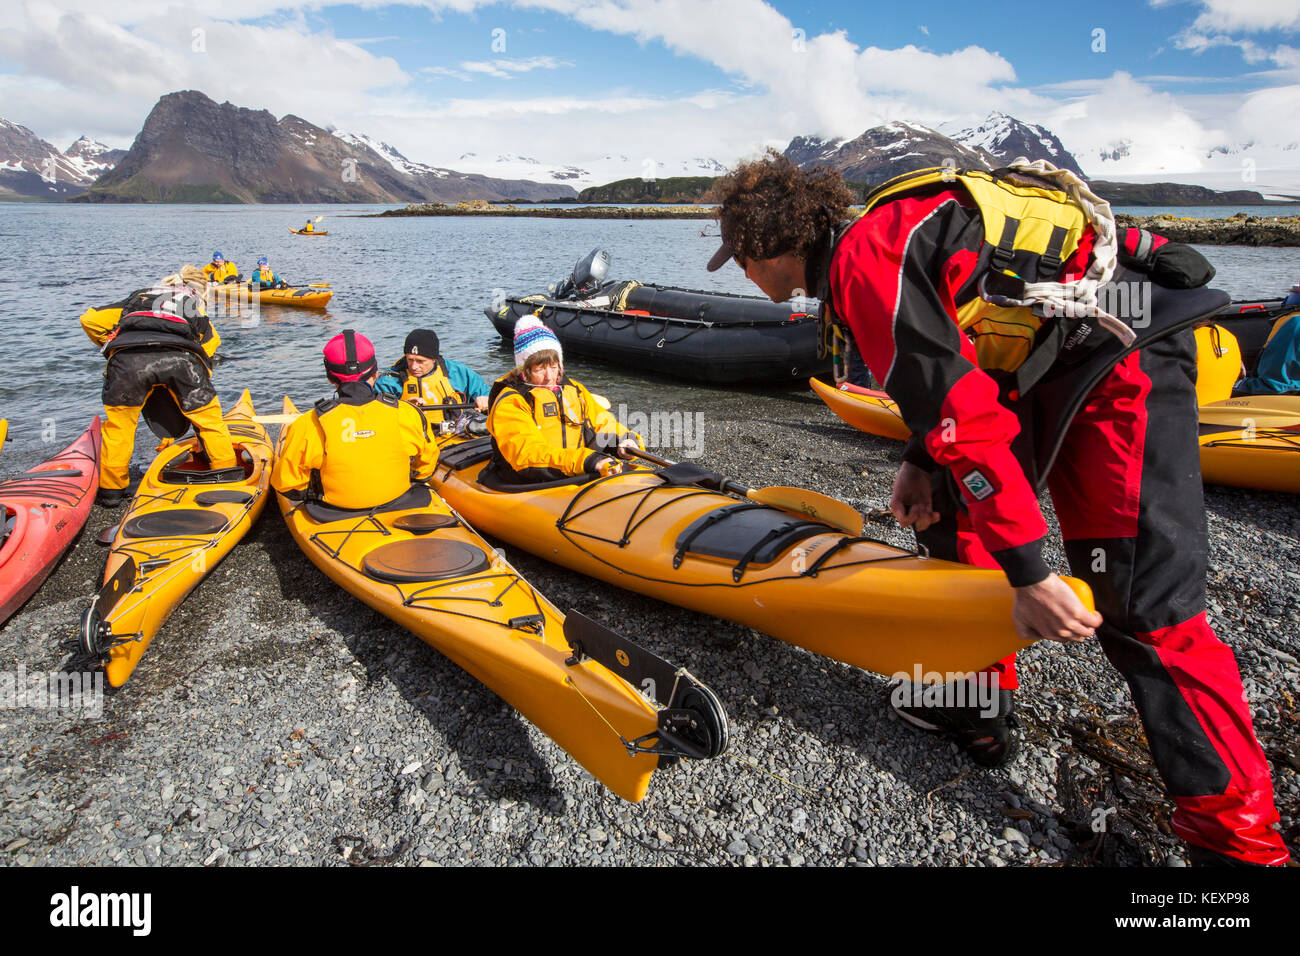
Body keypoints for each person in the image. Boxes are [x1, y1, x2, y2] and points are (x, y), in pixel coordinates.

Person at [706, 151, 1289, 867]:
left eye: (738, 257)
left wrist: (1030, 573)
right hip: (1055, 355)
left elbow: (966, 417)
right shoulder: (879, 244)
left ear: (769, 246)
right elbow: (965, 363)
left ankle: (1239, 846)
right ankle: (977, 706)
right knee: (947, 510)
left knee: (1146, 607)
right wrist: (922, 460)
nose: (740, 272)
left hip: (1121, 358)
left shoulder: (868, 263)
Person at [79, 265, 236, 507]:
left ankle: (111, 491)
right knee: (210, 421)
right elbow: (211, 343)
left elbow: (89, 319)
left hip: (127, 361)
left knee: (119, 428)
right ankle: (225, 474)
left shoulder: (139, 297)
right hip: (181, 359)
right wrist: (195, 377)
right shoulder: (192, 304)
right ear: (199, 291)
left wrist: (110, 344)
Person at [271, 331, 438, 511]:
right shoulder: (409, 413)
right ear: (374, 372)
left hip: (333, 511)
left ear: (329, 377)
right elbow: (426, 467)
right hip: (400, 500)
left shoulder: (308, 423)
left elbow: (287, 485)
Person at [486, 317, 641, 483]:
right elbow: (527, 454)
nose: (549, 377)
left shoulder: (574, 389)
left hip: (577, 469)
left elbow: (603, 421)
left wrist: (625, 439)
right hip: (529, 479)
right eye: (539, 370)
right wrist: (587, 460)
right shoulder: (512, 402)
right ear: (524, 371)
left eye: (554, 367)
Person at [374, 330, 491, 434]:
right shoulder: (390, 380)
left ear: (434, 359)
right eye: (409, 359)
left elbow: (491, 394)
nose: (414, 366)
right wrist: (404, 408)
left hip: (452, 435)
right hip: (410, 438)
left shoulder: (457, 372)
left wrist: (485, 398)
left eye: (420, 361)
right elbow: (377, 416)